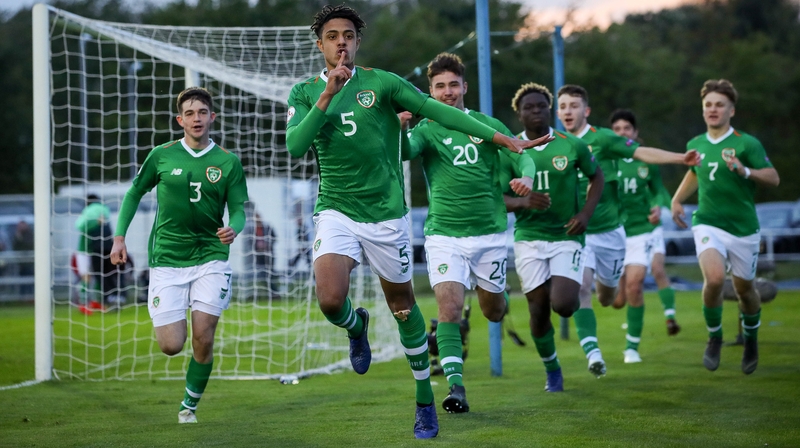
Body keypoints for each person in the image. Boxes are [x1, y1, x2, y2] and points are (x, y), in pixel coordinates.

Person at [285, 5, 549, 439]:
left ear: (357, 41)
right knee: (331, 300)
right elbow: (296, 145)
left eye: (348, 35)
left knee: (404, 308)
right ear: (320, 45)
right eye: (332, 36)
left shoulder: (383, 83)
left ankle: (424, 398)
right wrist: (327, 95)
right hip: (336, 209)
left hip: (387, 217)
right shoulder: (302, 93)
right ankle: (356, 325)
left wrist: (502, 138)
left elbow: (439, 111)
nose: (341, 43)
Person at [400, 53, 541, 413]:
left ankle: (497, 295)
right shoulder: (427, 128)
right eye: (439, 87)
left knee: (493, 311)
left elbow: (520, 154)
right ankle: (456, 387)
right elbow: (404, 152)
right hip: (444, 234)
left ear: (465, 86)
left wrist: (525, 177)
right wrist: (399, 128)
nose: (447, 92)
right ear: (430, 91)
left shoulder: (485, 124)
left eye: (452, 85)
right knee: (449, 309)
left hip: (490, 235)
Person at [110, 86, 249, 423]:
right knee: (171, 345)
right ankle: (175, 329)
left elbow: (239, 210)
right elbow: (134, 193)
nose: (196, 118)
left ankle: (189, 406)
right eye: (189, 113)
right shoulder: (162, 155)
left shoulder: (228, 162)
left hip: (211, 257)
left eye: (202, 112)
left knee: (203, 336)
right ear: (179, 120)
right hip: (168, 259)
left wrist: (234, 228)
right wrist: (119, 238)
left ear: (212, 117)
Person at [556, 84, 700, 377]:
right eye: (562, 106)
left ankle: (612, 290)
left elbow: (642, 152)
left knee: (609, 297)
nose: (567, 111)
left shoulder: (605, 139)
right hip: (575, 234)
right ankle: (595, 354)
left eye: (573, 105)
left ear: (586, 110)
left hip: (610, 233)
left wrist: (679, 158)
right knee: (582, 288)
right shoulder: (553, 142)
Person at [671, 79, 779, 374]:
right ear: (703, 109)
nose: (713, 110)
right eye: (708, 105)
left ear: (731, 110)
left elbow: (773, 177)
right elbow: (696, 173)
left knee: (745, 289)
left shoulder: (747, 143)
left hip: (743, 227)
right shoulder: (696, 144)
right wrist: (677, 199)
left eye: (719, 105)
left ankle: (752, 340)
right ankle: (715, 337)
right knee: (716, 279)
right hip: (708, 223)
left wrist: (745, 170)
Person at [501, 82, 603, 392]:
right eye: (528, 108)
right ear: (519, 114)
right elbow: (497, 197)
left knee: (564, 304)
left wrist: (585, 214)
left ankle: (563, 295)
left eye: (541, 106)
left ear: (550, 110)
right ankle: (552, 369)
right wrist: (522, 202)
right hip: (529, 237)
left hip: (565, 236)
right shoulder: (509, 149)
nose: (536, 111)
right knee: (538, 310)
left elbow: (596, 177)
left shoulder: (571, 145)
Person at [608, 109, 681, 364]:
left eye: (626, 128)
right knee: (616, 301)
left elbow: (659, 190)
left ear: (635, 132)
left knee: (641, 280)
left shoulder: (645, 160)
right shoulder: (606, 160)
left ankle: (632, 347)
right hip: (613, 234)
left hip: (643, 231)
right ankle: (620, 293)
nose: (622, 133)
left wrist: (658, 206)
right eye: (616, 129)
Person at [74, 193, 112, 313]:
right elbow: (80, 227)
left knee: (97, 275)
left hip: (96, 250)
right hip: (84, 251)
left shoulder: (102, 216)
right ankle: (83, 303)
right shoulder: (89, 218)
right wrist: (96, 222)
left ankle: (96, 301)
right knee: (86, 277)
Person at [12, 220, 34, 298]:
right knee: (22, 281)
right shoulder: (17, 235)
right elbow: (15, 248)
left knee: (31, 281)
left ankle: (32, 297)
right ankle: (22, 298)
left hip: (30, 263)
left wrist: (20, 238)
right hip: (21, 264)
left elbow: (29, 246)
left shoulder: (30, 234)